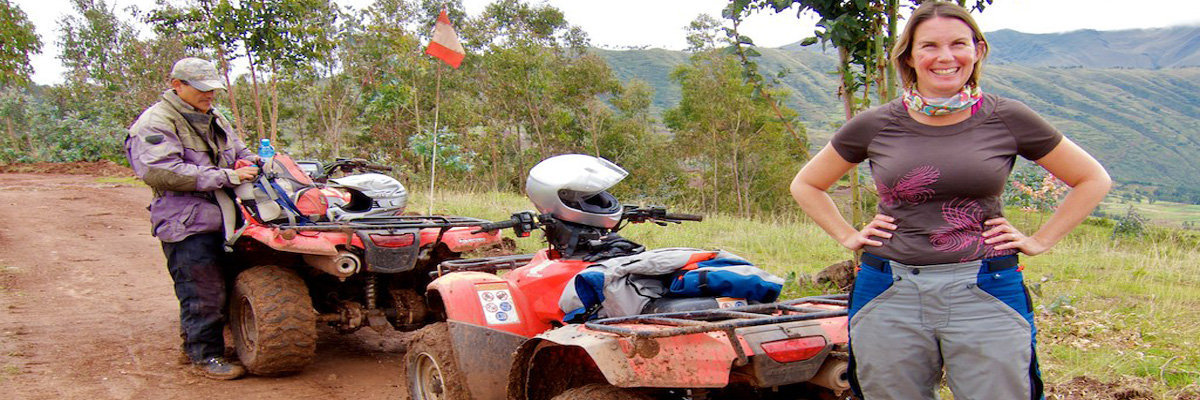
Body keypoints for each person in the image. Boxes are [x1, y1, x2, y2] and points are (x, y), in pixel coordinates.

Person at [789, 2, 1111, 399]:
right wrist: (847, 235)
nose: (945, 57)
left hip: (986, 287)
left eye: (958, 43)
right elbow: (807, 184)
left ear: (977, 50)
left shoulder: (1007, 117)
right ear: (909, 55)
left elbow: (1092, 178)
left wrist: (1040, 240)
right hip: (889, 290)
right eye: (929, 46)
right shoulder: (876, 123)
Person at [125, 57, 259, 380]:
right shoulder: (155, 122)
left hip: (225, 217)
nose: (209, 95)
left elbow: (239, 151)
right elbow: (162, 172)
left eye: (212, 89)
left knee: (228, 282)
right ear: (177, 86)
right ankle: (204, 354)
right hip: (184, 220)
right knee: (202, 289)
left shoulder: (214, 117)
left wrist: (255, 162)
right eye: (201, 89)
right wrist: (226, 176)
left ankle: (209, 341)